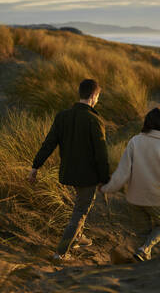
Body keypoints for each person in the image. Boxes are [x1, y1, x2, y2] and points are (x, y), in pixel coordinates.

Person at [28, 79, 110, 260]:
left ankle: (78, 237)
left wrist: (35, 166)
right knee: (80, 211)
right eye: (98, 97)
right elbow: (101, 155)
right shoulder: (95, 120)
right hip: (87, 176)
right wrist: (105, 180)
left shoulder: (62, 116)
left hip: (68, 173)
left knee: (80, 205)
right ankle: (61, 253)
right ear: (94, 96)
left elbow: (48, 144)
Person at [100, 107, 160, 261]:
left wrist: (107, 188)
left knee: (143, 232)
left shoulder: (135, 141)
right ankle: (145, 249)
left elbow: (123, 172)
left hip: (135, 198)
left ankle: (143, 258)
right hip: (159, 198)